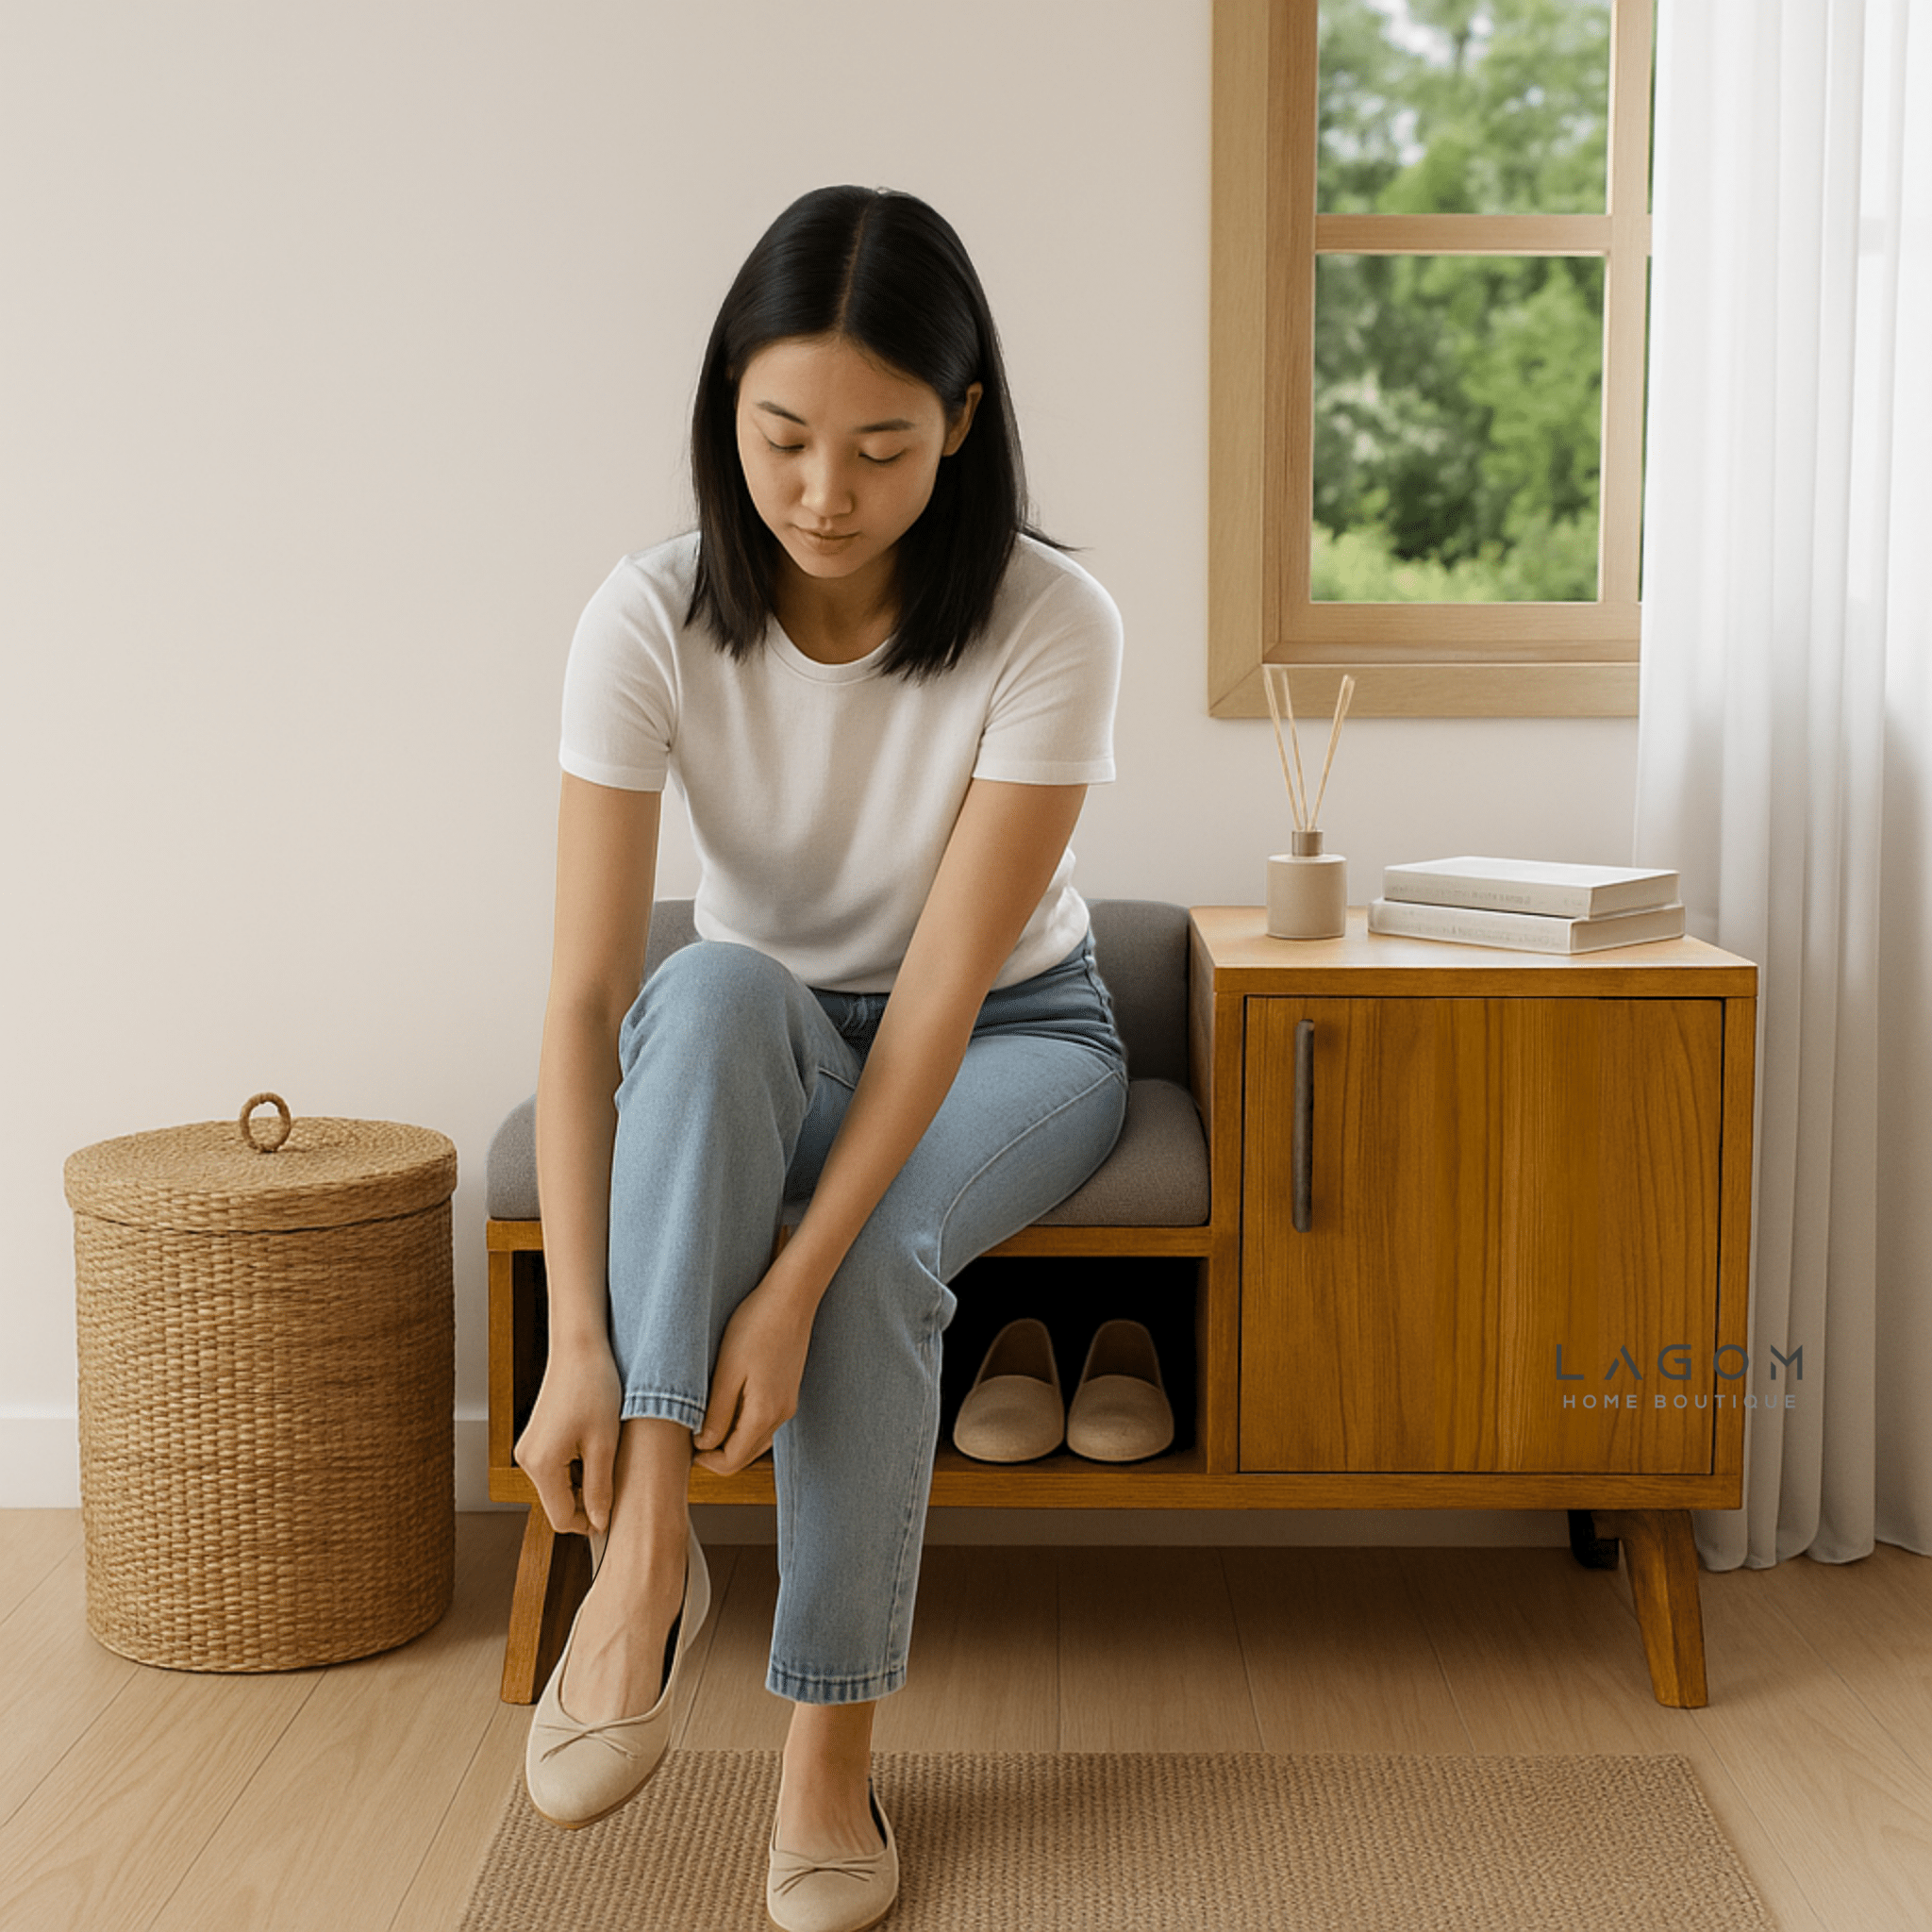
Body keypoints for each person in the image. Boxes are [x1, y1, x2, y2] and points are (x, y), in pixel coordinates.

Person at [512, 183, 1126, 1932]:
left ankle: (829, 1753)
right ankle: (641, 1562)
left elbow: (934, 1002)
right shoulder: (646, 617)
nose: (826, 494)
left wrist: (782, 1288)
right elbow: (585, 1000)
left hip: (1010, 1031)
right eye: (783, 437)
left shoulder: (1050, 620)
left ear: (965, 428)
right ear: (727, 406)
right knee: (703, 994)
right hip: (760, 1023)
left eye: (883, 446)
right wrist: (578, 1336)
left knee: (856, 1274)